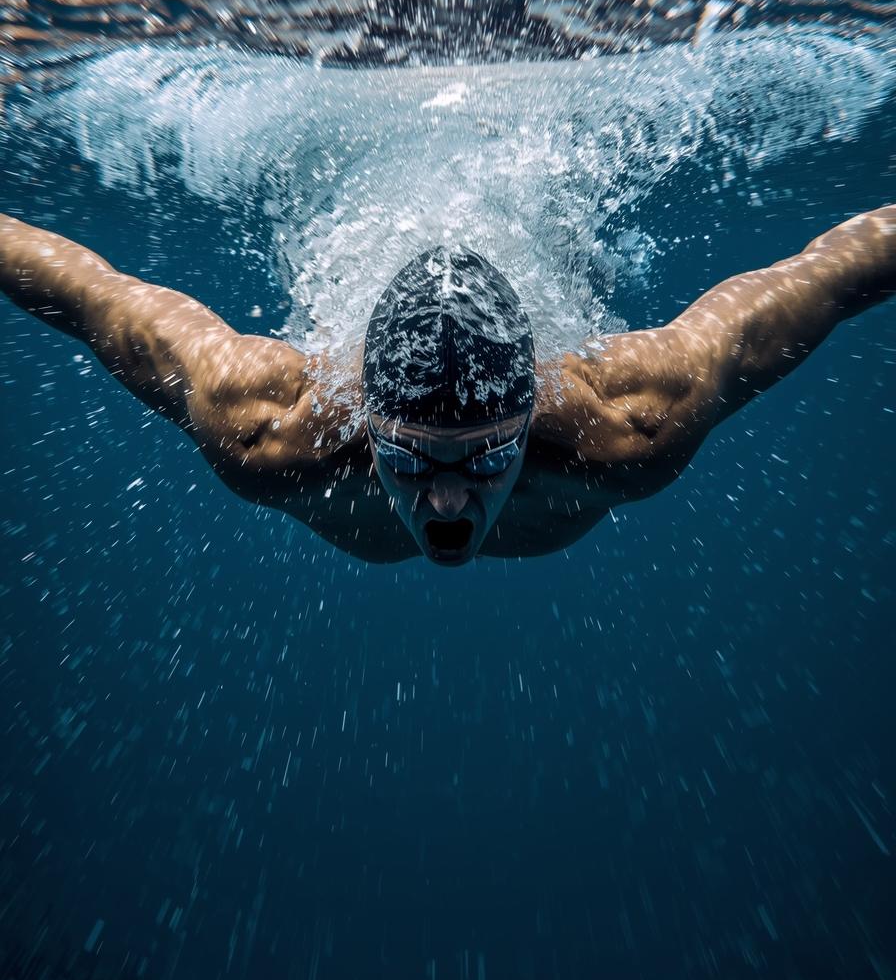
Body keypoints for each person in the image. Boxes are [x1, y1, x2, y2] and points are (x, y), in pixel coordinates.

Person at [1, 206, 893, 565]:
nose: (450, 497)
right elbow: (97, 299)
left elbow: (823, 279)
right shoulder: (266, 428)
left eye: (487, 454)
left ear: (534, 415)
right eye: (412, 457)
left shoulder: (631, 422)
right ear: (363, 417)